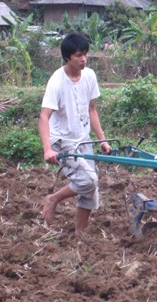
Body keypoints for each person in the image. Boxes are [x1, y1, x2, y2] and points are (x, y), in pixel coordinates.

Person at [38, 32, 111, 236]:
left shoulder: (89, 75)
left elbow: (92, 110)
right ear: (67, 57)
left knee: (91, 188)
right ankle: (53, 199)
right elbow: (44, 117)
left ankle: (80, 233)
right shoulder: (57, 81)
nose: (83, 59)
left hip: (83, 139)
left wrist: (102, 139)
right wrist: (47, 149)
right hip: (63, 140)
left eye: (85, 54)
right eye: (79, 55)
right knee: (88, 181)